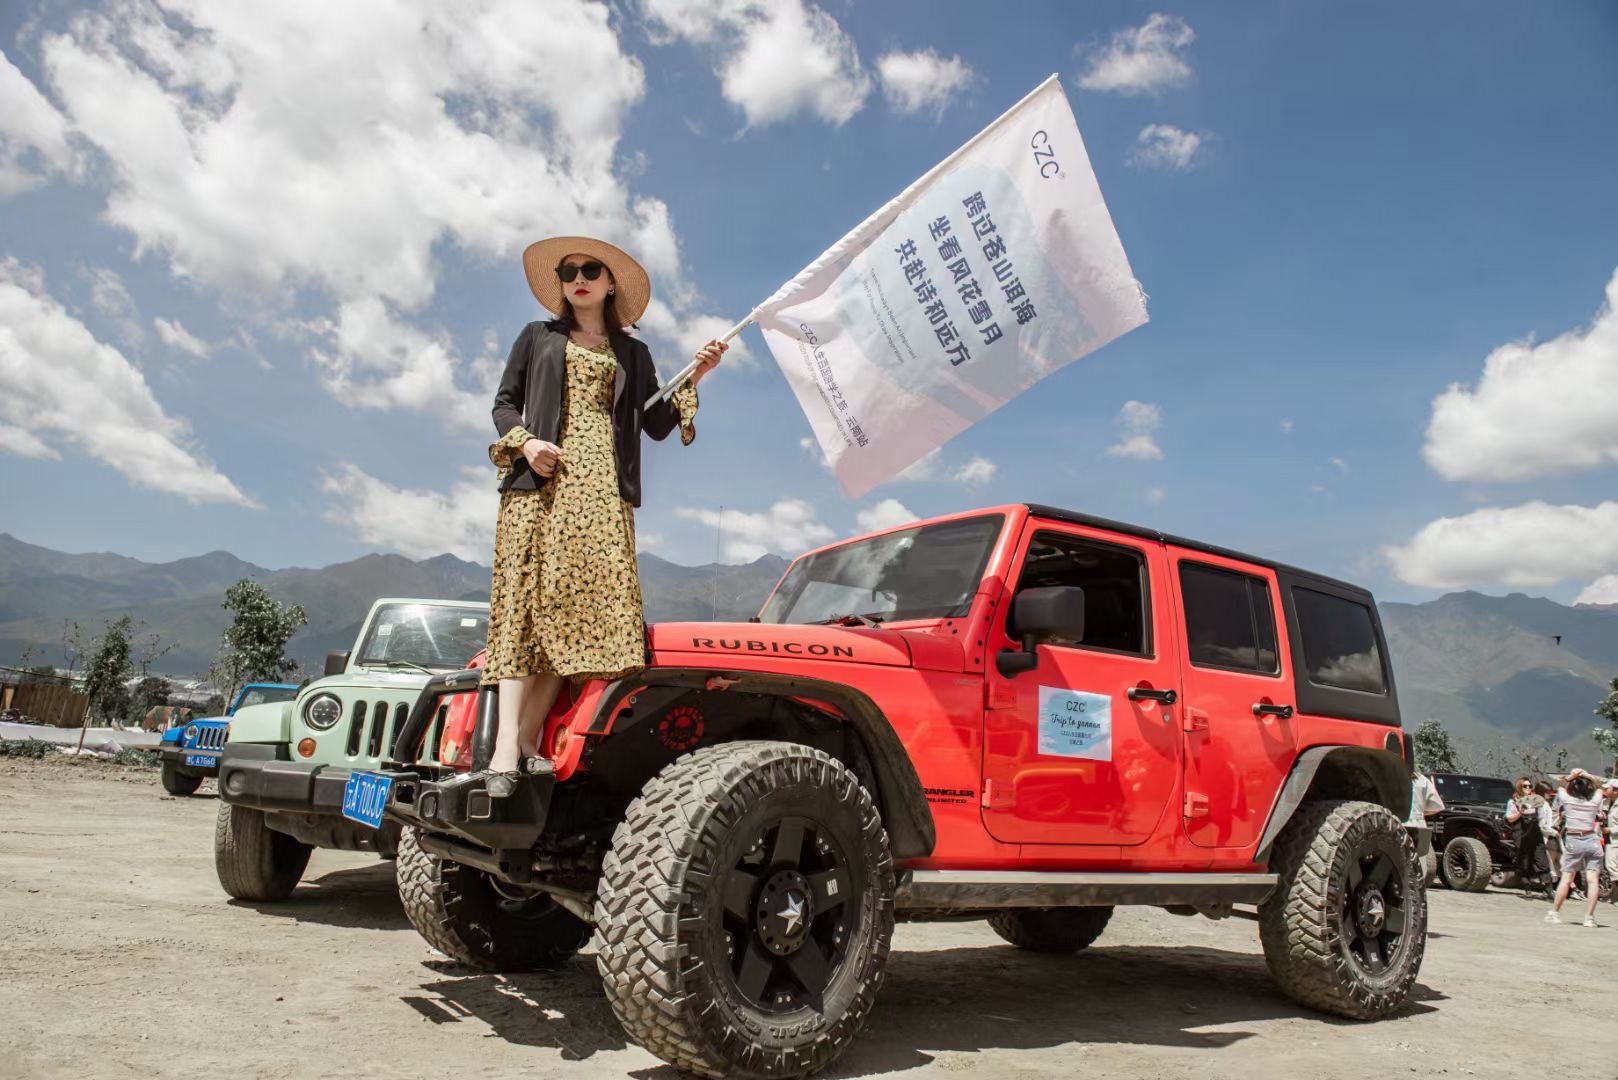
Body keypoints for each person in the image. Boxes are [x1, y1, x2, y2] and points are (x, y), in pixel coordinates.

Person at [476, 236, 726, 796]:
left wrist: (699, 375)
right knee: (524, 609)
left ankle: (528, 738)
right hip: (540, 486)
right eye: (569, 272)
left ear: (610, 283)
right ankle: (502, 751)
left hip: (602, 493)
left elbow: (655, 422)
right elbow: (503, 402)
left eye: (591, 269)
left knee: (580, 616)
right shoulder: (537, 337)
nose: (579, 278)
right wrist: (526, 444)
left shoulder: (632, 354)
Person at [1545, 769, 1606, 926]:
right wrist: (1587, 775)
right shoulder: (1594, 801)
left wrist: (1573, 775)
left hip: (1574, 839)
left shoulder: (1567, 799)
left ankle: (1555, 913)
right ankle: (1589, 917)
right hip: (1592, 839)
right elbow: (1600, 786)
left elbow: (1560, 783)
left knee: (1566, 879)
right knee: (1593, 881)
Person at [1505, 775, 1549, 886]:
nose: (1528, 788)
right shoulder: (1513, 801)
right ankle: (1526, 883)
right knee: (1524, 860)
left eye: (1530, 786)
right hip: (1521, 832)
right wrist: (1520, 812)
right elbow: (1510, 818)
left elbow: (1542, 815)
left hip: (1535, 831)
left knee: (1541, 858)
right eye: (1525, 786)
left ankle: (1548, 887)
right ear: (1520, 787)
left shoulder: (1535, 800)